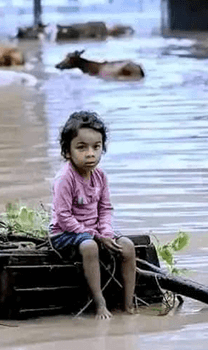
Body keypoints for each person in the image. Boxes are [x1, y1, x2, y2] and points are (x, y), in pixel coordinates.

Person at [50, 110, 136, 319]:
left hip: (95, 231)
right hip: (64, 234)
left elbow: (105, 209)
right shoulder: (65, 178)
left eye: (96, 147)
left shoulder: (100, 177)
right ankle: (100, 303)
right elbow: (64, 217)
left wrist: (105, 231)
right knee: (89, 246)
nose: (90, 153)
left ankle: (128, 305)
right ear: (67, 152)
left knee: (128, 246)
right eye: (82, 147)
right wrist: (95, 236)